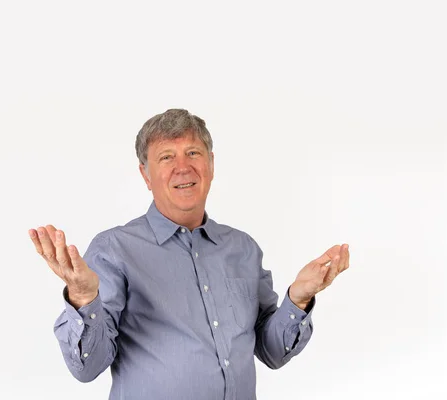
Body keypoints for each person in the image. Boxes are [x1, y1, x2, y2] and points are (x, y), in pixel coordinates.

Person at [28, 109, 350, 400]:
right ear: (145, 175)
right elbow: (88, 368)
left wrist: (299, 298)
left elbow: (271, 350)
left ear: (210, 165)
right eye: (166, 157)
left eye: (193, 153)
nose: (183, 168)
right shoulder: (116, 250)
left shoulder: (244, 249)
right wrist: (84, 299)